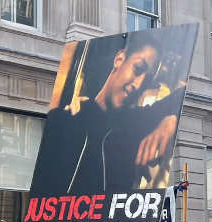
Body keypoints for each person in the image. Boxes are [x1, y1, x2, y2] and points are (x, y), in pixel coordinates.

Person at [31, 37, 183, 194]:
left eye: (147, 80)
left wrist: (171, 119)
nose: (138, 85)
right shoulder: (63, 119)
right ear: (119, 59)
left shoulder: (134, 125)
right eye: (138, 69)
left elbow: (181, 95)